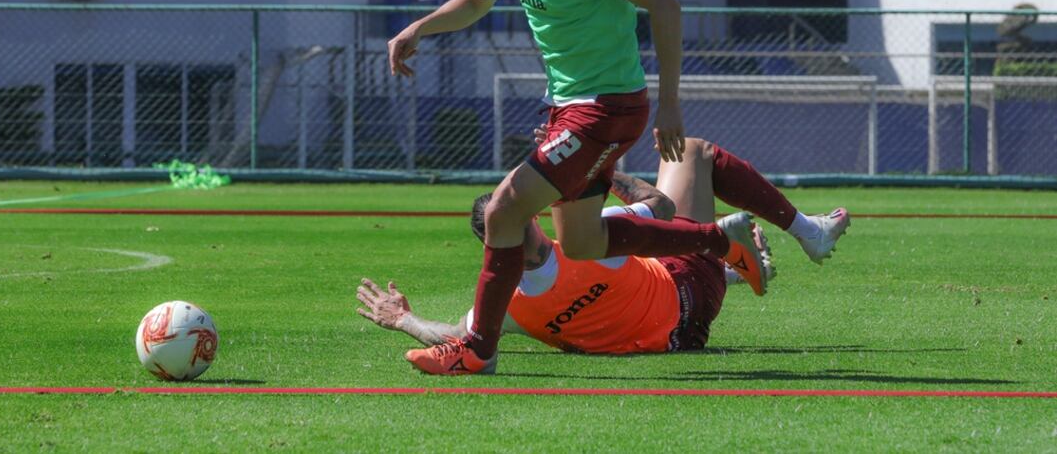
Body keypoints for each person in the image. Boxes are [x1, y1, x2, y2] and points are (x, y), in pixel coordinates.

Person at [388, 0, 787, 375]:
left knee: (503, 209)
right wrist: (419, 28)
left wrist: (670, 104)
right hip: (568, 108)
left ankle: (477, 350)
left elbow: (665, 6)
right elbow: (475, 2)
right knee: (581, 241)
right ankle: (718, 241)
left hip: (605, 106)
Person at [356, 137, 850, 367]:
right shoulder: (584, 239)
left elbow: (458, 335)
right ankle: (799, 234)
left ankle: (734, 266)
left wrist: (404, 319)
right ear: (531, 216)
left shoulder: (504, 304)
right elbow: (661, 206)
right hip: (689, 288)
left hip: (681, 339)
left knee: (643, 259)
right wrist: (596, 168)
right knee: (692, 152)